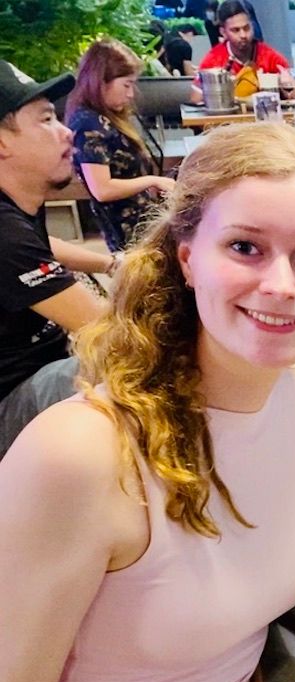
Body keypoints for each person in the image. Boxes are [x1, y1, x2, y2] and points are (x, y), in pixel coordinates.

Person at [0, 122, 295, 682]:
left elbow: (214, 542)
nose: (282, 285)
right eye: (245, 247)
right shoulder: (79, 456)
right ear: (187, 259)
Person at [0, 60, 115, 459]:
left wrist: (112, 263)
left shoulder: (17, 209)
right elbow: (102, 326)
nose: (67, 131)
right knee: (127, 366)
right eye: (47, 119)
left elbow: (40, 244)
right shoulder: (4, 232)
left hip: (36, 370)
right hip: (11, 402)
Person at [67, 39, 176, 253]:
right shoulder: (87, 124)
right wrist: (152, 180)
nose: (131, 94)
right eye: (126, 85)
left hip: (142, 221)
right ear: (101, 81)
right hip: (127, 232)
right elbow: (102, 189)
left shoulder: (104, 117)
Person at [189, 0, 295, 104]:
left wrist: (286, 86)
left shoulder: (272, 57)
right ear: (223, 32)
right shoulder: (213, 60)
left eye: (246, 28)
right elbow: (195, 99)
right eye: (235, 30)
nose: (243, 35)